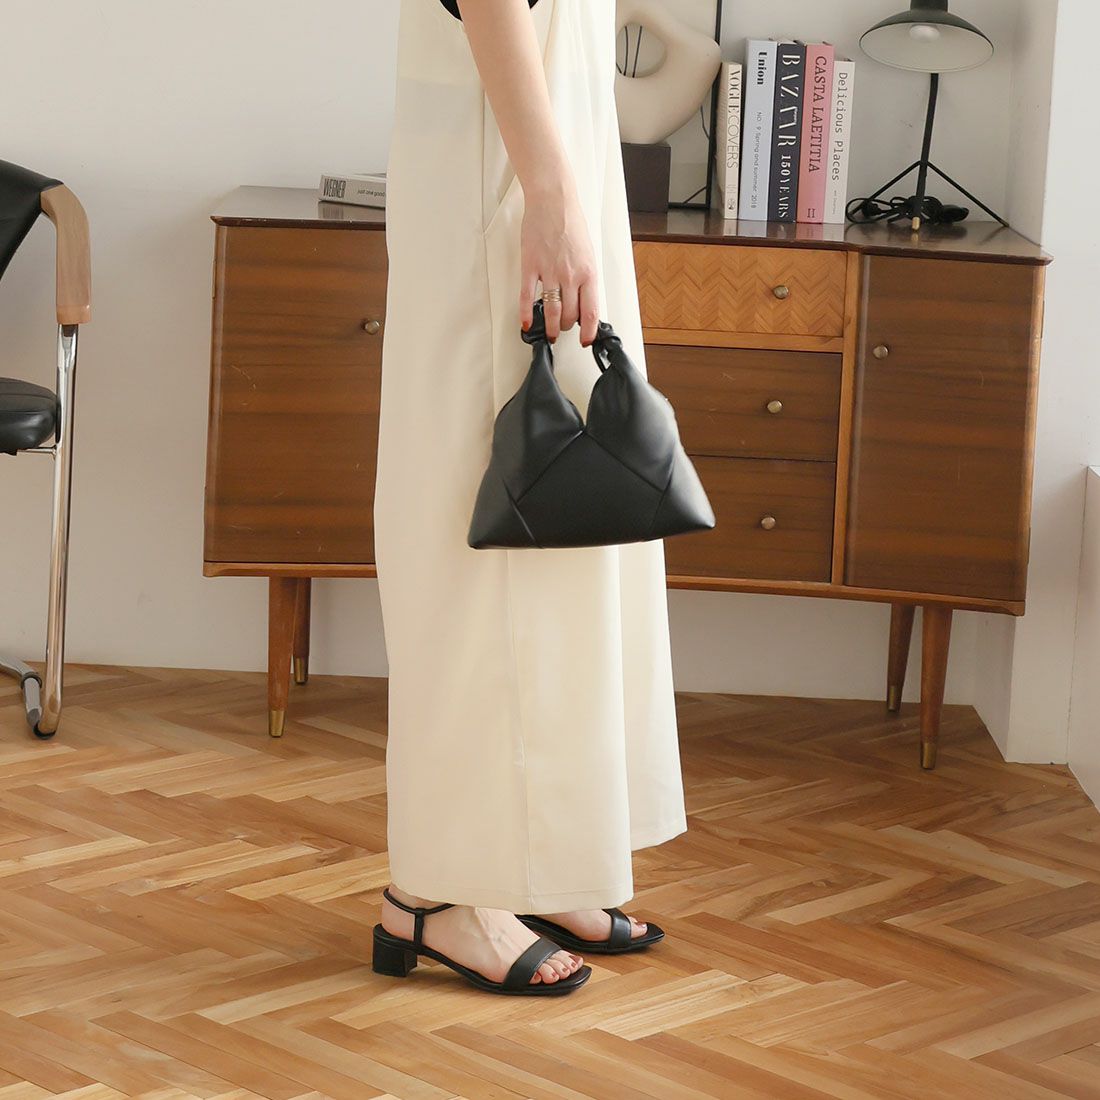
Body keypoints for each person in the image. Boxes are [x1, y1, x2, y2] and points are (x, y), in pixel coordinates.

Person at [371, 0, 688, 996]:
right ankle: (436, 893)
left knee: (557, 559)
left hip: (542, 166)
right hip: (504, 180)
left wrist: (563, 188)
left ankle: (537, 865)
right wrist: (548, 192)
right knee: (483, 564)